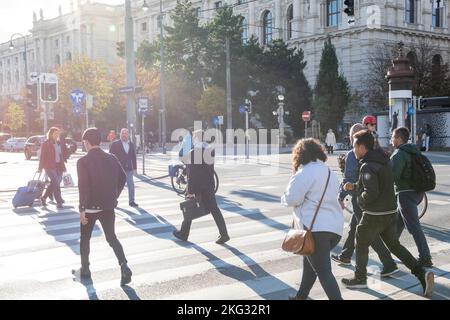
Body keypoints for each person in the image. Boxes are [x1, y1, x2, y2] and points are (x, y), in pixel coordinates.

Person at [341, 130, 434, 297]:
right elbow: (377, 184)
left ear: (362, 147)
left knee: (361, 241)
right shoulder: (383, 159)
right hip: (390, 211)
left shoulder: (367, 165)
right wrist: (354, 187)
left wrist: (359, 198)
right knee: (394, 245)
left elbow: (371, 193)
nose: (353, 149)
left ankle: (360, 278)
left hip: (374, 214)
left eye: (354, 146)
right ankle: (422, 274)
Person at [281, 139, 344, 300]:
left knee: (323, 272)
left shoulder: (305, 172)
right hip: (334, 229)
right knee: (311, 265)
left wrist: (283, 198)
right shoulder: (329, 172)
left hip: (316, 229)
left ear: (300, 155)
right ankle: (300, 297)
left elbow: (291, 199)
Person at [333, 124, 399, 277]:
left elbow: (348, 178)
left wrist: (341, 196)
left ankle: (387, 262)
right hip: (376, 197)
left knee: (367, 231)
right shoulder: (378, 153)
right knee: (355, 226)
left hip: (361, 196)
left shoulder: (352, 154)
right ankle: (345, 255)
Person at [72, 128, 132, 286]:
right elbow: (123, 177)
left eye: (84, 142)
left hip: (90, 208)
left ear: (87, 142)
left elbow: (83, 186)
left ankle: (85, 269)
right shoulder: (111, 158)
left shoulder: (83, 161)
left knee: (85, 239)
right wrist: (114, 195)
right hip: (108, 206)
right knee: (112, 238)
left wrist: (82, 209)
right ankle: (124, 265)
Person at [173, 130, 230, 245]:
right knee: (215, 209)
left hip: (197, 186)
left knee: (189, 208)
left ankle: (183, 233)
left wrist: (190, 191)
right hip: (209, 184)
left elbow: (192, 172)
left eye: (194, 138)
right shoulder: (210, 150)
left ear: (196, 138)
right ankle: (224, 234)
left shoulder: (194, 151)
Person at [391, 127, 433, 267]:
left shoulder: (399, 154)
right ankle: (389, 249)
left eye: (393, 137)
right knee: (398, 222)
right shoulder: (413, 151)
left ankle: (425, 257)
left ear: (398, 138)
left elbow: (393, 175)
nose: (391, 140)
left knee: (414, 227)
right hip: (417, 192)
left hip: (405, 193)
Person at [109, 128, 138, 208]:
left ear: (128, 135)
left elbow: (133, 157)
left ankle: (131, 201)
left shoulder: (131, 144)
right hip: (118, 169)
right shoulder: (115, 144)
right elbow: (110, 156)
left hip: (129, 169)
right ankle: (113, 200)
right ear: (120, 134)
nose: (124, 135)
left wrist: (135, 168)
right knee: (116, 186)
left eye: (125, 133)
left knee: (131, 185)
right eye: (122, 133)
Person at [38, 127, 66, 209]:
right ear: (51, 134)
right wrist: (40, 168)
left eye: (58, 133)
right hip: (49, 166)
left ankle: (43, 197)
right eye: (55, 133)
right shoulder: (46, 144)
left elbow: (61, 156)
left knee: (55, 182)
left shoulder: (58, 143)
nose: (57, 135)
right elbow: (42, 157)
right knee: (56, 183)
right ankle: (59, 202)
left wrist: (63, 166)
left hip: (59, 166)